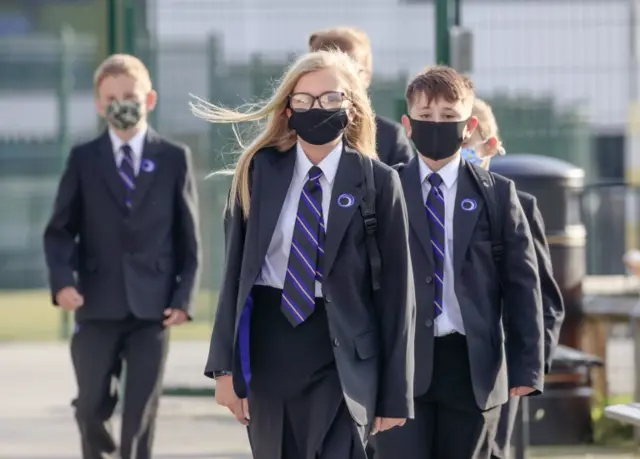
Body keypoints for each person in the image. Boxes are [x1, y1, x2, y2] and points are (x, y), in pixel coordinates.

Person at [193, 49, 416, 459]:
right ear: (288, 110)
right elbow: (235, 276)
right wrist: (224, 368)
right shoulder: (258, 171)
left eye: (331, 98)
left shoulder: (379, 182)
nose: (317, 108)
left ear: (352, 108)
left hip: (344, 354)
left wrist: (395, 392)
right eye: (304, 100)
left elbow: (399, 294)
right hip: (271, 348)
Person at [372, 66, 545, 459]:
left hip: (472, 370)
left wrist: (527, 367)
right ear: (408, 124)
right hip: (399, 368)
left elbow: (523, 285)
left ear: (469, 126)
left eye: (449, 117)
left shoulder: (498, 194)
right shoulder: (384, 189)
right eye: (426, 116)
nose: (437, 124)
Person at [43, 54, 201, 459]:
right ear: (99, 104)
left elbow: (189, 237)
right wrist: (63, 281)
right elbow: (60, 230)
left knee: (140, 411)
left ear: (149, 99)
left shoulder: (173, 158)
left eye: (129, 95)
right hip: (96, 302)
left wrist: (184, 298)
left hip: (154, 307)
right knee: (91, 406)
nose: (121, 104)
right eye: (110, 97)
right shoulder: (83, 159)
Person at [461, 98, 565, 459]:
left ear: (490, 147)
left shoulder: (517, 203)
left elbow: (545, 300)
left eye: (467, 146)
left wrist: (528, 367)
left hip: (499, 371)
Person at [308, 26, 414, 166]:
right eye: (329, 73)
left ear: (367, 76)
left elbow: (404, 185)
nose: (342, 81)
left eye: (351, 71)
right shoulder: (297, 131)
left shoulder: (390, 136)